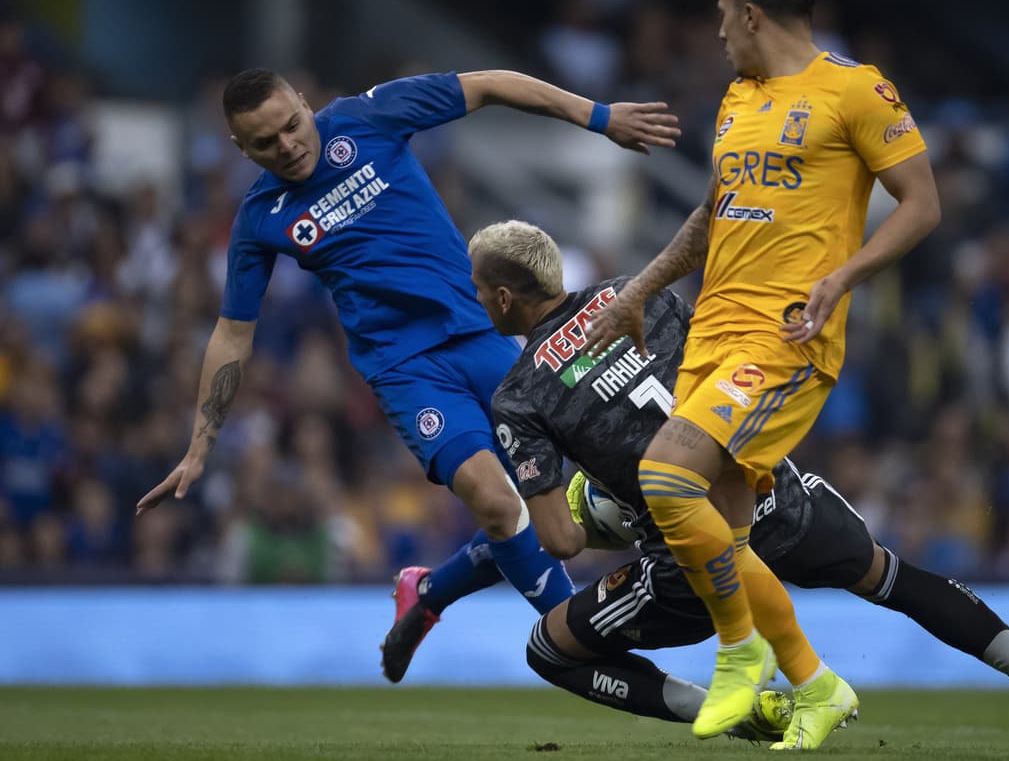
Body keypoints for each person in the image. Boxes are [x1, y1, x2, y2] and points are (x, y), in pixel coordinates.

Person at [429, 219, 1009, 743]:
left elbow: (562, 540)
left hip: (694, 559)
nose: (474, 296)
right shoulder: (640, 295)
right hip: (774, 492)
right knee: (889, 576)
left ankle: (760, 713)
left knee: (550, 646)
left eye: (477, 287)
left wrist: (598, 509)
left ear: (506, 297)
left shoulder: (519, 397)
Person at [133, 66, 681, 658]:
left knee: (556, 493)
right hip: (406, 371)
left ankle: (429, 591)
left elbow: (490, 83)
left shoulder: (369, 116)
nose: (288, 146)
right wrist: (198, 447)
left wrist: (599, 117)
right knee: (498, 503)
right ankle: (581, 640)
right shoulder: (261, 218)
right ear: (241, 147)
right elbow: (232, 334)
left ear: (301, 98)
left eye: (292, 125)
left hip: (480, 333)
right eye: (265, 143)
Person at [580, 0, 938, 748]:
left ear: (750, 13)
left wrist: (844, 277)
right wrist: (639, 290)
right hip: (712, 331)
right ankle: (816, 685)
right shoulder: (739, 97)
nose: (715, 35)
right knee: (723, 535)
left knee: (666, 477)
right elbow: (712, 214)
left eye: (719, 18)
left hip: (785, 337)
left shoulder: (856, 90)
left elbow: (921, 204)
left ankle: (739, 653)